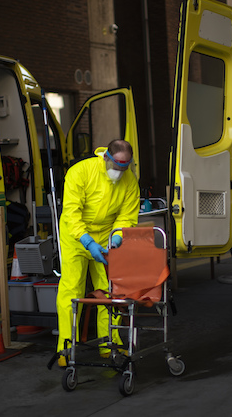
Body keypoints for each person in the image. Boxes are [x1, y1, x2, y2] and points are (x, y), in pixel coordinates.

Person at [55, 139, 140, 366]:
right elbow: (72, 213)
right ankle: (66, 346)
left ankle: (108, 343)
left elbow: (127, 215)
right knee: (71, 290)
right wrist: (86, 241)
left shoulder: (130, 180)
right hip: (76, 237)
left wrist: (118, 236)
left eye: (125, 168)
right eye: (117, 167)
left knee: (108, 291)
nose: (120, 173)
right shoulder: (80, 172)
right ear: (105, 158)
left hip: (105, 238)